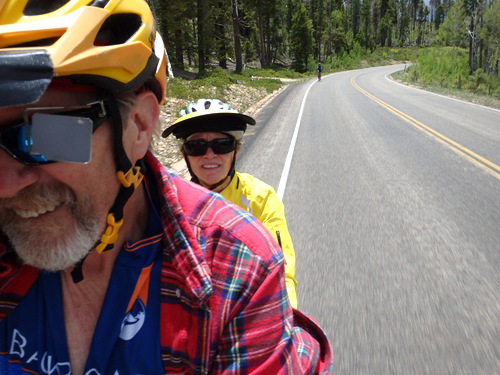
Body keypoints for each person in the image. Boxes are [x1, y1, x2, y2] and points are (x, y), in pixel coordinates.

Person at [0, 1, 332, 374]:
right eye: (195, 146)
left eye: (44, 135)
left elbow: (282, 272)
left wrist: (276, 316)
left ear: (140, 127)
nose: (4, 185)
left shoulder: (243, 250)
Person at [162, 99, 299, 308]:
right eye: (196, 146)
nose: (209, 154)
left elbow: (281, 273)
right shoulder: (170, 204)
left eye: (222, 144)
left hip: (247, 309)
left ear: (236, 150)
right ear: (184, 155)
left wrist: (286, 321)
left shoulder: (260, 198)